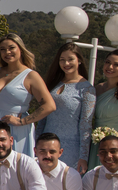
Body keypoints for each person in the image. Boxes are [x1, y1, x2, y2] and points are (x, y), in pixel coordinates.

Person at [0, 32, 55, 158]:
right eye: (2, 49)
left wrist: (22, 121)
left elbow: (49, 105)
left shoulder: (31, 76)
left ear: (21, 49)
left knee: (16, 166)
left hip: (17, 131)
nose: (7, 52)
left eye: (11, 48)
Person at [38, 43, 95, 174]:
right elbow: (43, 117)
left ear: (79, 60)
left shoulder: (87, 89)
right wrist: (37, 142)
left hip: (70, 148)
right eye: (62, 60)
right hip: (46, 146)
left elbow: (86, 125)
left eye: (70, 59)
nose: (66, 63)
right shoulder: (52, 84)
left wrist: (83, 157)